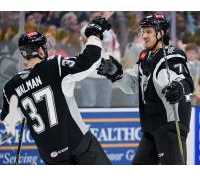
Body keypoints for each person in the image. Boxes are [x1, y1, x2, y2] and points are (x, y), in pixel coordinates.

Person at [0, 16, 111, 165]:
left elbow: (9, 121)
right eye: (44, 47)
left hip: (52, 156)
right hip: (79, 144)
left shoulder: (11, 86)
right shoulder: (54, 66)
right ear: (40, 50)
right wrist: (94, 34)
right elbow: (89, 60)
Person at [97, 13, 194, 165]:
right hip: (152, 126)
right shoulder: (145, 57)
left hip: (171, 124)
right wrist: (117, 74)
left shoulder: (173, 54)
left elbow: (183, 79)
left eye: (149, 31)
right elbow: (134, 84)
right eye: (143, 31)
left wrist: (179, 88)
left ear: (161, 33)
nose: (144, 35)